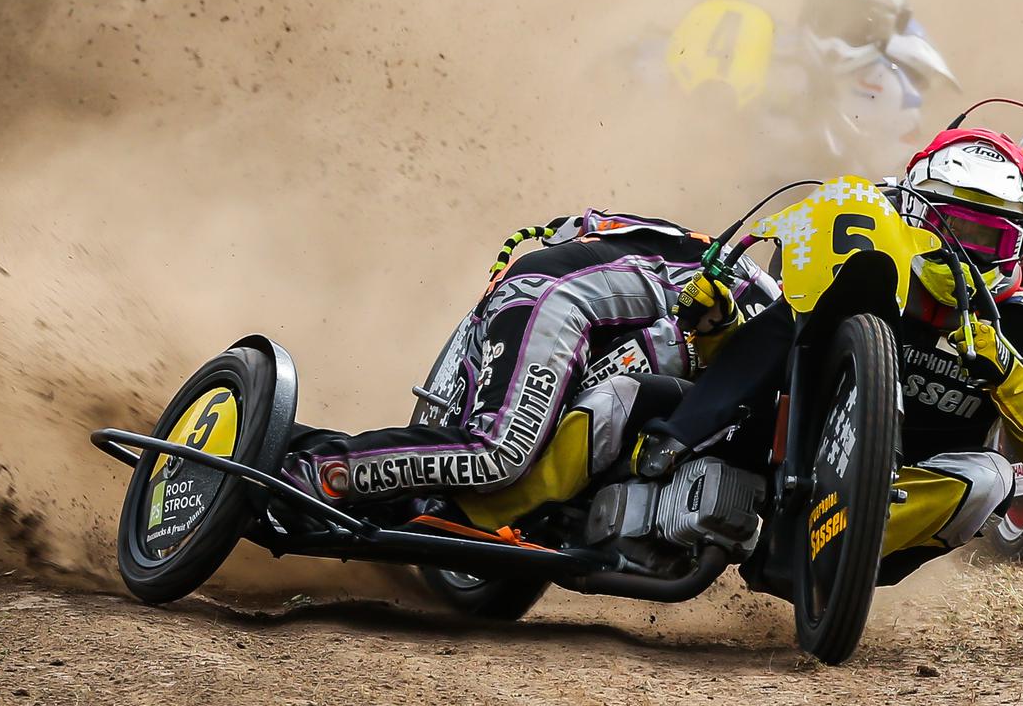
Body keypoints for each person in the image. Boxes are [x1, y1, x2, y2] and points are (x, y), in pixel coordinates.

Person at [641, 128, 1023, 586]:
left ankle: (841, 544)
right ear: (912, 212)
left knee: (994, 478)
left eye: (987, 240)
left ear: (1020, 242)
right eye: (949, 229)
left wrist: (1006, 371)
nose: (963, 253)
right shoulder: (866, 257)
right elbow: (774, 344)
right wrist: (719, 327)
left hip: (903, 487)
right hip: (782, 451)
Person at [276, 210, 774, 528]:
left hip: (578, 320)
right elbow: (588, 232)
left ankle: (311, 462)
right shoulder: (757, 296)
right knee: (500, 453)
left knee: (503, 468)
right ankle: (311, 473)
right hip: (561, 293)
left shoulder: (771, 337)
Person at [788, 0, 959, 170]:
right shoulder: (772, 59)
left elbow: (890, 179)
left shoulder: (894, 92)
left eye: (860, 24)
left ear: (890, 25)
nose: (837, 40)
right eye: (827, 15)